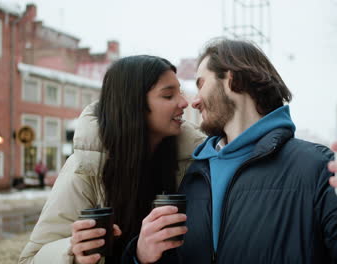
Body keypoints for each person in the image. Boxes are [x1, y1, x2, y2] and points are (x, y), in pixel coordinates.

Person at [123, 39, 337, 264]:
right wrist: (140, 257)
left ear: (232, 79)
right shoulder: (194, 173)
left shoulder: (316, 168)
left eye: (201, 83)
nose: (193, 100)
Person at [19, 55, 205, 264]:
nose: (184, 102)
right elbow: (30, 259)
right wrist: (74, 253)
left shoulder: (195, 160)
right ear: (134, 104)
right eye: (168, 95)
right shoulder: (86, 167)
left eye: (179, 91)